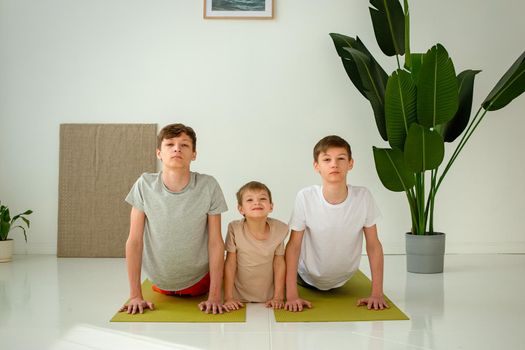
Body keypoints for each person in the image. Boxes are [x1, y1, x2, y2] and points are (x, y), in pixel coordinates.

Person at [119, 123, 228, 315]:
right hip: (159, 283)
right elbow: (134, 241)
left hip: (200, 282)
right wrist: (135, 295)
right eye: (170, 144)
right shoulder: (144, 184)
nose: (177, 148)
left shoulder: (208, 185)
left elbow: (215, 242)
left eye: (184, 145)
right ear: (159, 153)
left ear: (194, 154)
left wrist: (214, 296)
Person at [284, 135, 389, 312]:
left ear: (350, 163)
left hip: (343, 279)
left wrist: (377, 293)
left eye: (341, 158)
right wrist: (292, 295)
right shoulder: (306, 197)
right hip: (306, 277)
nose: (334, 164)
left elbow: (373, 245)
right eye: (327, 159)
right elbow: (294, 245)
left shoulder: (363, 196)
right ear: (316, 166)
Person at [222, 181, 288, 311]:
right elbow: (230, 263)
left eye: (262, 199)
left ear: (271, 206)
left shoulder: (279, 229)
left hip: (268, 294)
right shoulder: (235, 229)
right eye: (250, 200)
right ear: (241, 209)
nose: (257, 203)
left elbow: (279, 263)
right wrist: (228, 298)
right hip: (238, 293)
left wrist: (278, 296)